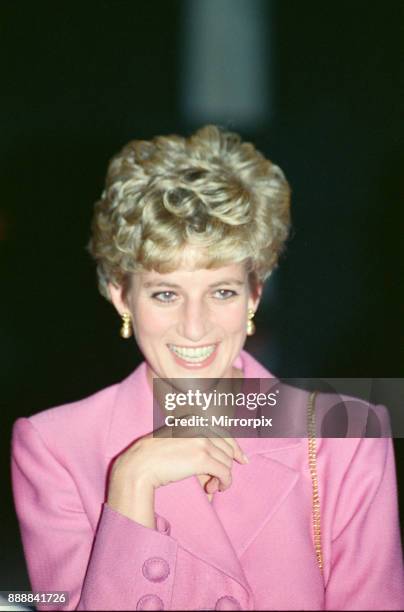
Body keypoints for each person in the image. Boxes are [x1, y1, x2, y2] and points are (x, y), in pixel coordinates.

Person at [11, 125, 404, 611]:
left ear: (255, 294)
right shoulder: (55, 447)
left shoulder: (349, 434)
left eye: (222, 292)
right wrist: (132, 484)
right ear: (120, 294)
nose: (195, 328)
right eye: (165, 294)